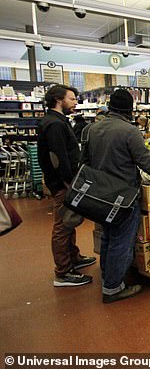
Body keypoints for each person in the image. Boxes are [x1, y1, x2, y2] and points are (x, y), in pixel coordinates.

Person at [84, 89, 150, 303]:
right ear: (128, 109)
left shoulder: (92, 129)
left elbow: (86, 161)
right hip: (124, 195)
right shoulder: (129, 131)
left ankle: (108, 277)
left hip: (100, 194)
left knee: (108, 237)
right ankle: (112, 288)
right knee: (122, 240)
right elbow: (146, 162)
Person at [37, 84, 96, 287]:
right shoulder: (54, 124)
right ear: (59, 100)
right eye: (72, 99)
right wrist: (70, 183)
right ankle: (62, 272)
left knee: (70, 221)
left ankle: (74, 258)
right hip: (63, 183)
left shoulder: (58, 121)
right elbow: (58, 158)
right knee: (62, 225)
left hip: (66, 181)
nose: (75, 102)